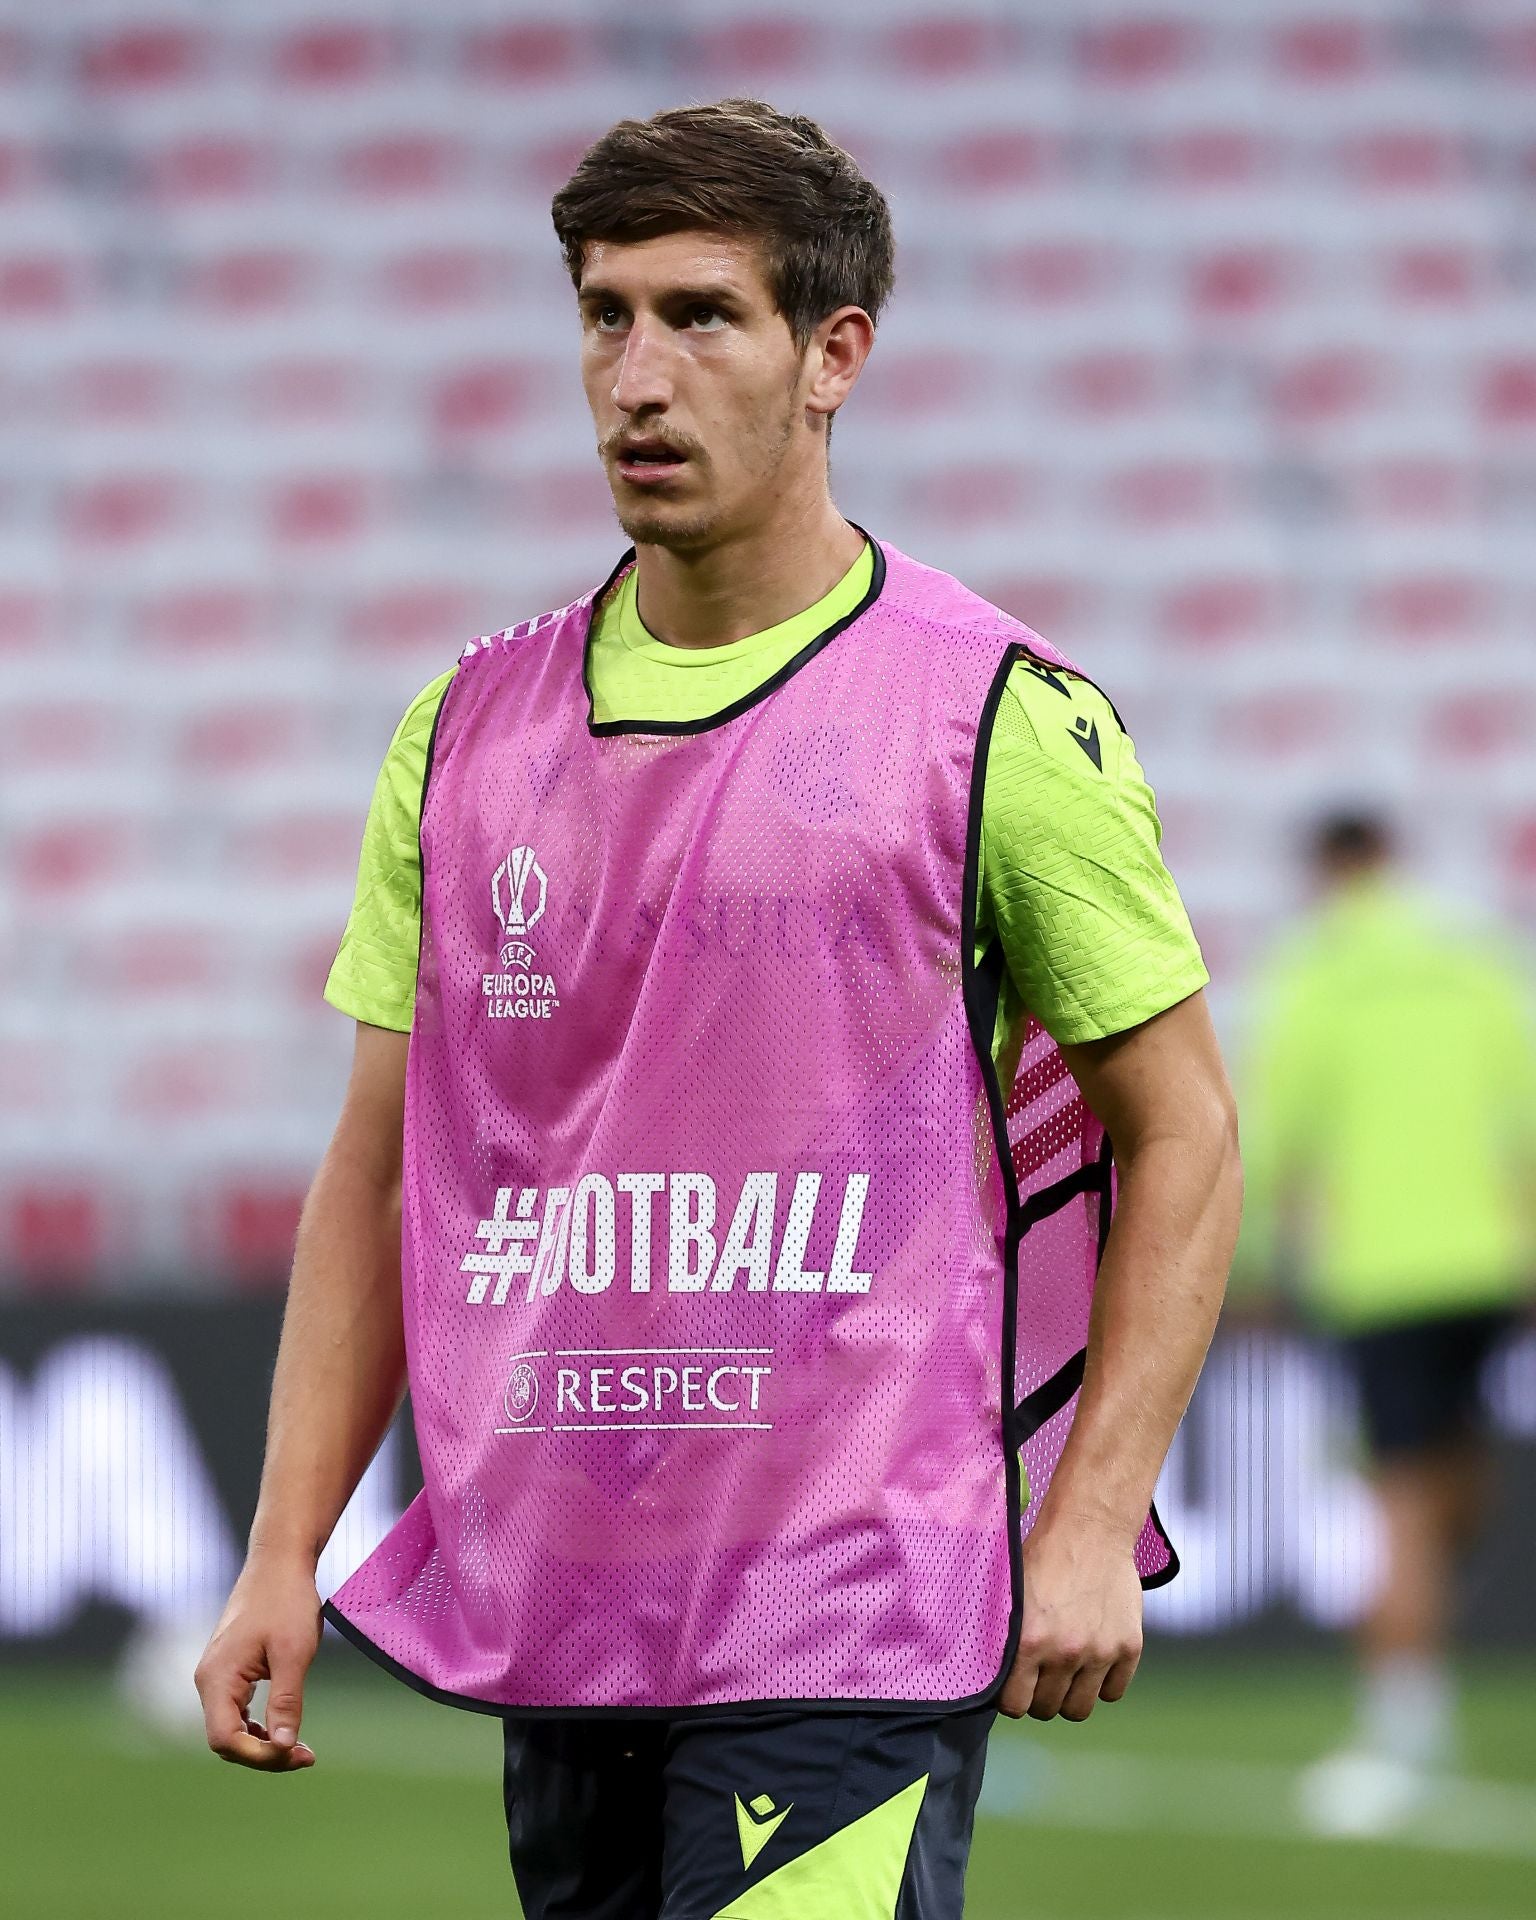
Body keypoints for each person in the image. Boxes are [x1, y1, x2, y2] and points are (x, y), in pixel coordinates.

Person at [196, 100, 1241, 1917]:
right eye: (605, 316)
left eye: (700, 316)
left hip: (855, 1594)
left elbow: (1187, 1129)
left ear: (835, 355)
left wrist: (1083, 1521)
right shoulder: (462, 736)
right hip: (570, 1592)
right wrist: (283, 1546)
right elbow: (379, 1171)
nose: (636, 378)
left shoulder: (997, 717)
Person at [1238, 810, 1536, 1838]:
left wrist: (1262, 1262)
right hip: (1488, 1265)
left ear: (1327, 871)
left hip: (1383, 1274)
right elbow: (1527, 1109)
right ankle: (1427, 1652)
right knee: (1454, 1478)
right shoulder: (1473, 960)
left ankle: (1402, 1724)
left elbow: (1277, 1134)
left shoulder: (1317, 971)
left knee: (1401, 1495)